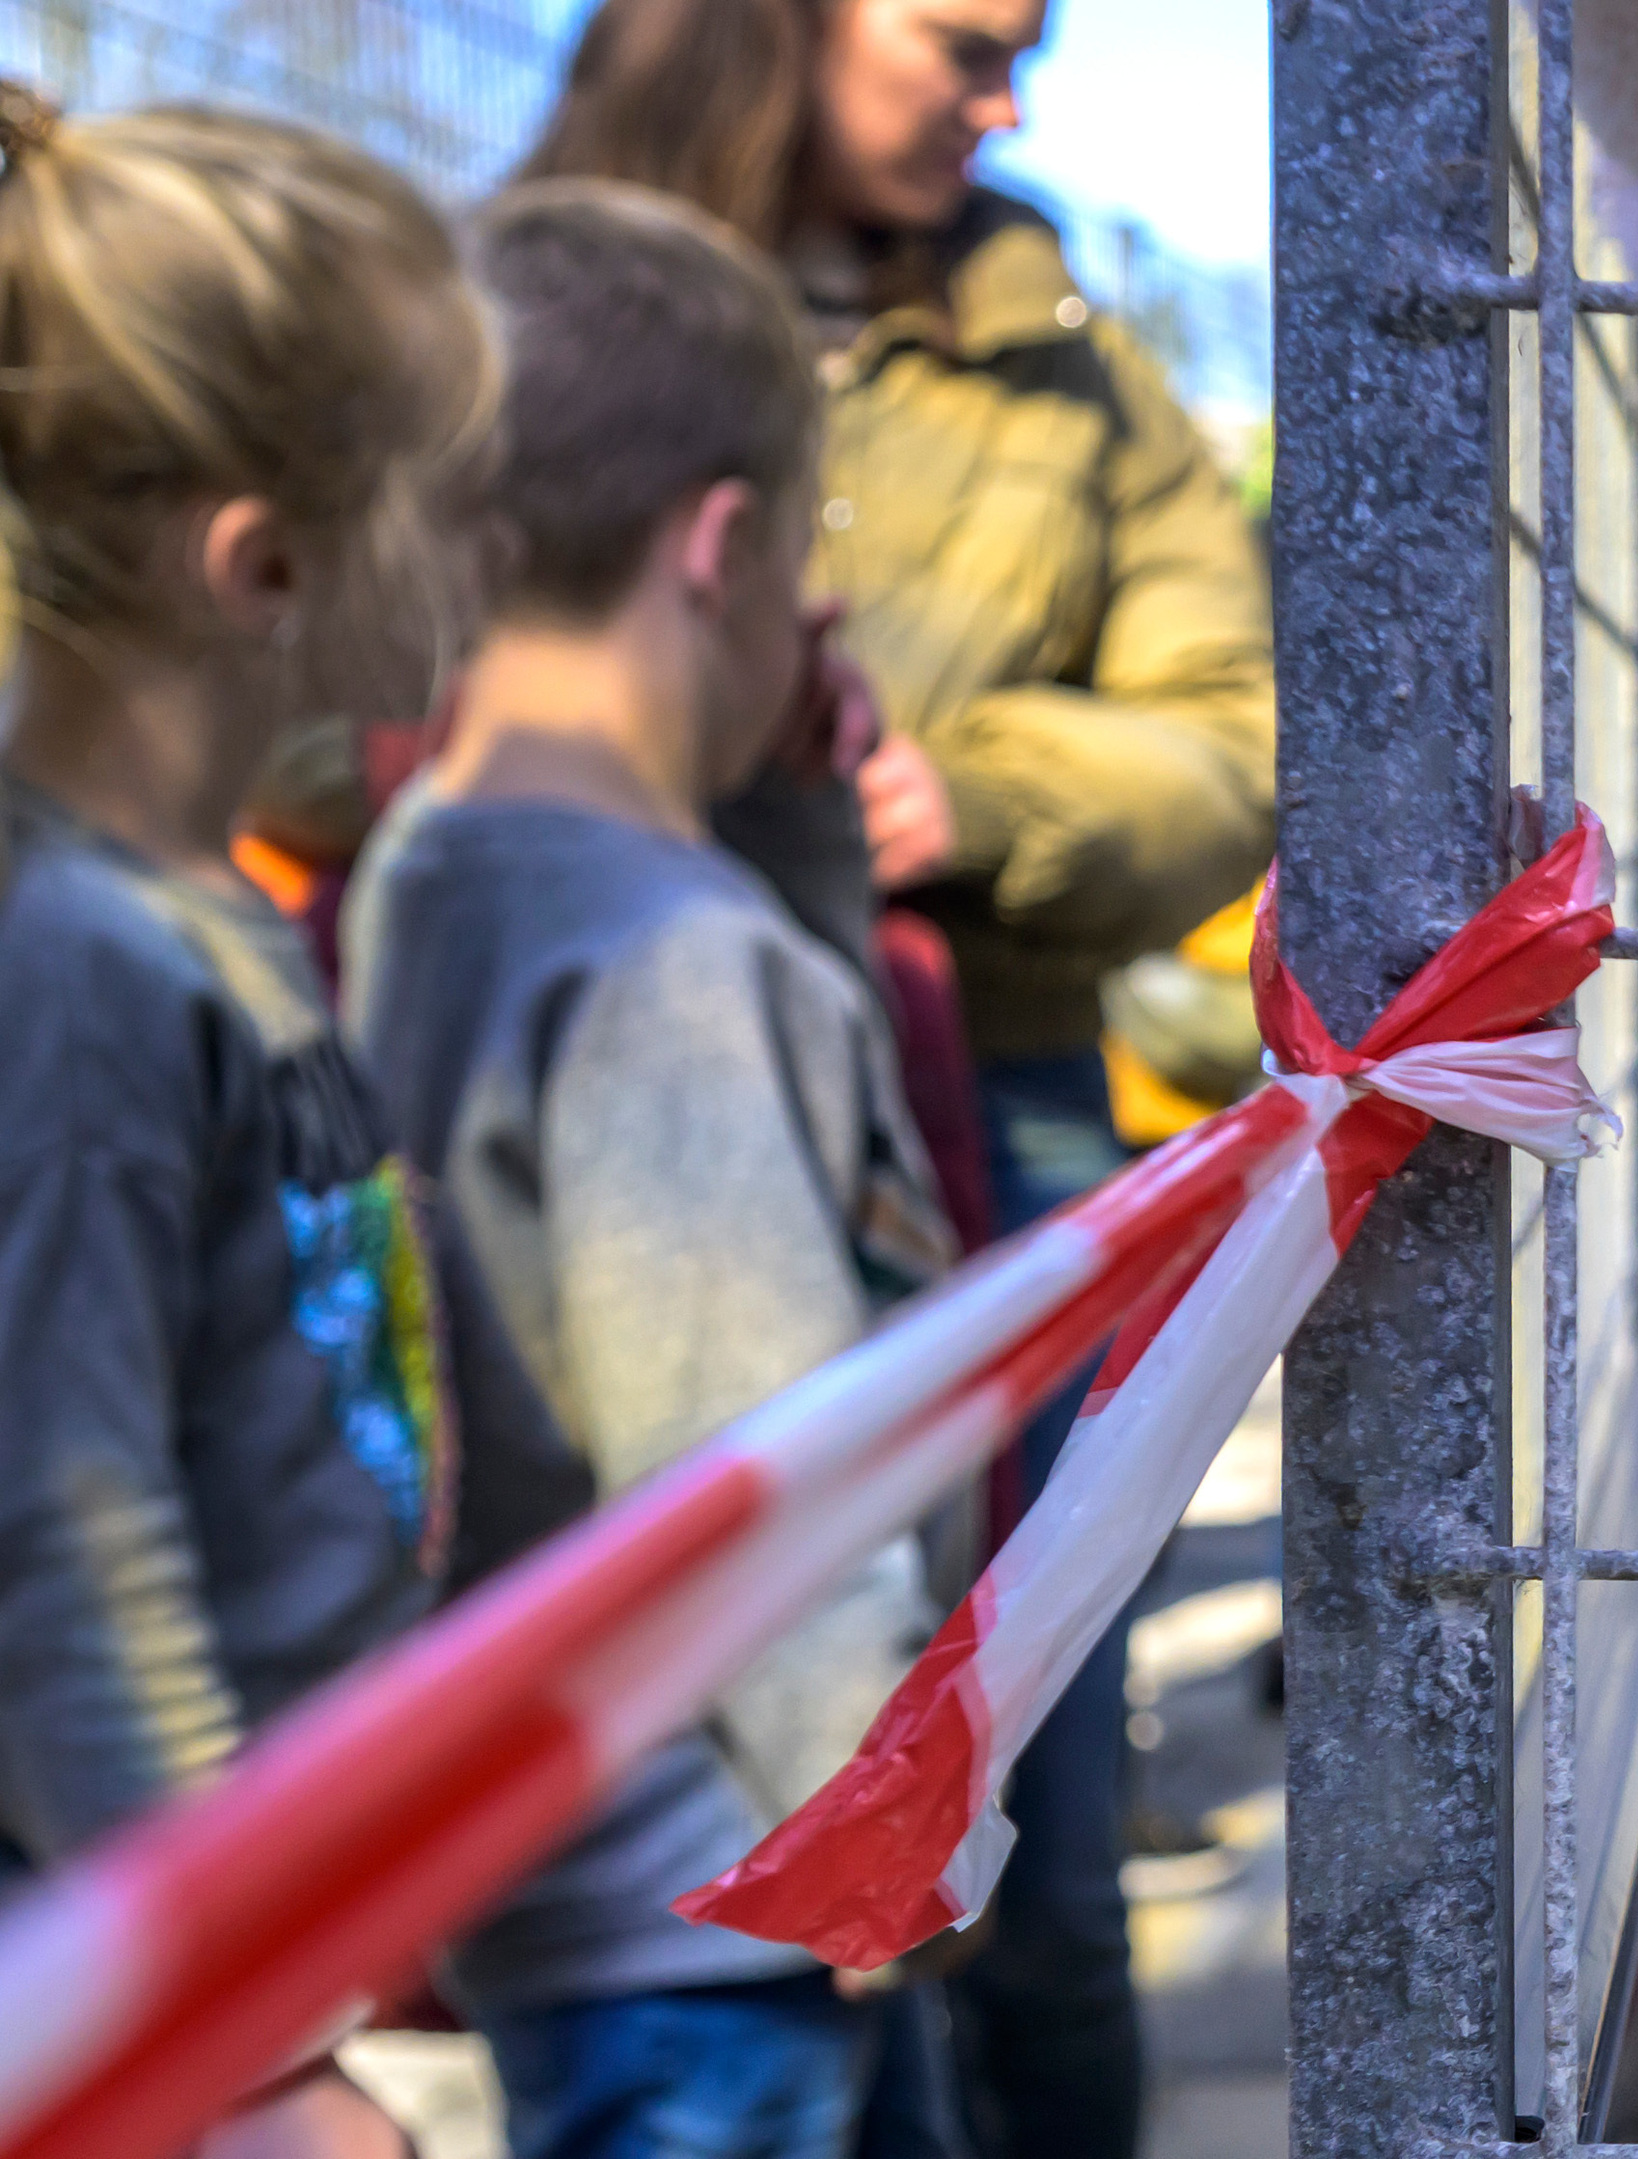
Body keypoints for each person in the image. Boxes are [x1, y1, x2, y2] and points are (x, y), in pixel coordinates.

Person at [522, 5, 1283, 2146]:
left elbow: (1229, 735)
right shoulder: (522, 304)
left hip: (991, 1108)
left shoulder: (1070, 361)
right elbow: (336, 685)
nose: (1010, 102)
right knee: (679, 1796)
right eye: (964, 42)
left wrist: (983, 796)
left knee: (1014, 1808)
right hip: (609, 1090)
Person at [340, 180, 978, 2159]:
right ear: (725, 548)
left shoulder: (433, 870)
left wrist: (790, 819)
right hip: (738, 1917)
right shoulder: (683, 971)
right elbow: (745, 1450)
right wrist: (867, 1834)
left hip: (586, 1893)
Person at [0, 85, 512, 2159]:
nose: (499, 551)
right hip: (140, 2005)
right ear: (267, 560)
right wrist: (225, 2048)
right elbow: (65, 1534)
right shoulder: (81, 974)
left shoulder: (209, 907)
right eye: (459, 499)